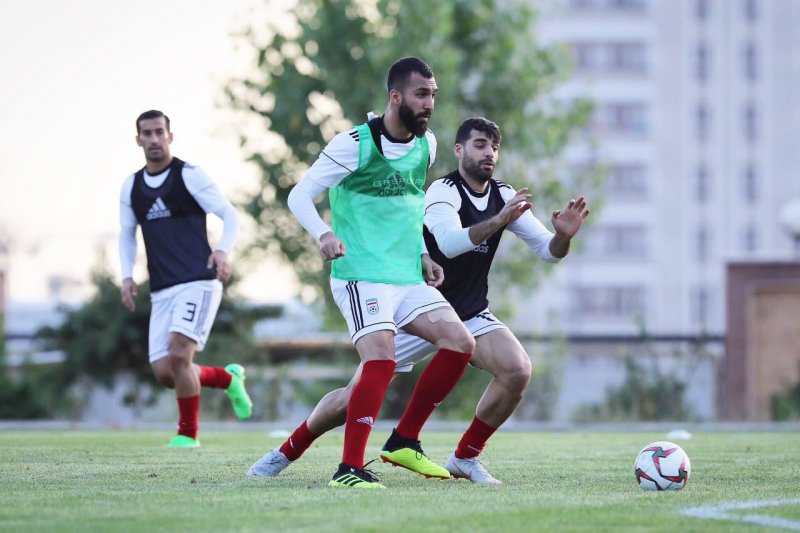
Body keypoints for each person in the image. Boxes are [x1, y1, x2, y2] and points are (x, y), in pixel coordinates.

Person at [248, 116, 589, 484]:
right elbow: (449, 243)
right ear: (459, 150)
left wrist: (563, 236)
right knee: (351, 398)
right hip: (416, 307)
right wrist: (499, 219)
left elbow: (548, 252)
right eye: (479, 144)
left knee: (516, 369)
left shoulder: (503, 197)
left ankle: (462, 456)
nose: (488, 152)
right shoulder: (443, 190)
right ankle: (286, 452)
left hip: (465, 311)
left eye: (494, 146)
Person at [274, 57, 475, 489]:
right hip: (360, 274)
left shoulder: (428, 145)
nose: (430, 104)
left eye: (434, 95)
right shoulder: (353, 144)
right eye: (422, 95)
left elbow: (410, 206)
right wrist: (323, 233)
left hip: (406, 277)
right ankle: (348, 469)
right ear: (396, 96)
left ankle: (404, 441)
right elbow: (300, 196)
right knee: (379, 361)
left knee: (460, 343)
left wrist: (423, 253)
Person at [119, 109, 253, 448]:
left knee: (180, 355)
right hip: (162, 289)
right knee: (167, 372)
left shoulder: (189, 175)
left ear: (170, 136)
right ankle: (228, 378)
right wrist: (126, 277)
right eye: (146, 134)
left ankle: (187, 435)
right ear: (138, 140)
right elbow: (126, 234)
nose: (153, 139)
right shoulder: (132, 186)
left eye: (159, 132)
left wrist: (222, 251)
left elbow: (229, 215)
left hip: (198, 281)